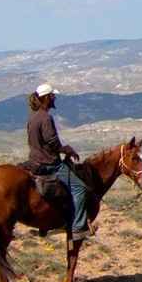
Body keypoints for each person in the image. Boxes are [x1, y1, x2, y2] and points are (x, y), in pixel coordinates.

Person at [21, 84, 87, 237]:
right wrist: (67, 149)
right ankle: (78, 228)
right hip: (49, 164)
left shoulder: (32, 117)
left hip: (33, 161)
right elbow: (53, 143)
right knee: (79, 189)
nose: (55, 98)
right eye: (53, 96)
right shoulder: (46, 118)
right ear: (47, 98)